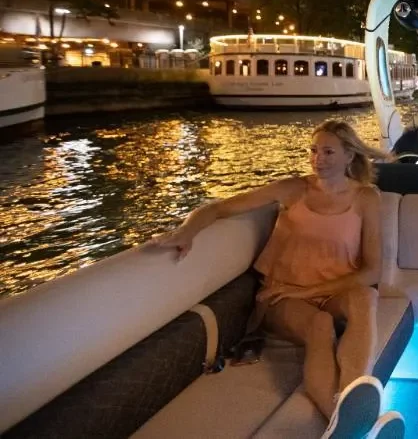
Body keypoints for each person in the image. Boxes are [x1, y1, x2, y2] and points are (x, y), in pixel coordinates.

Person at [150, 120, 403, 438]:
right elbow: (218, 209)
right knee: (320, 324)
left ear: (349, 155)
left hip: (330, 291)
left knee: (366, 296)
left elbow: (372, 271)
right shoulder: (293, 189)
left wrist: (309, 292)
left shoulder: (366, 198)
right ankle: (347, 422)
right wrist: (187, 231)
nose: (317, 159)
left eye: (328, 152)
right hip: (281, 294)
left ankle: (354, 400)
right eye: (313, 151)